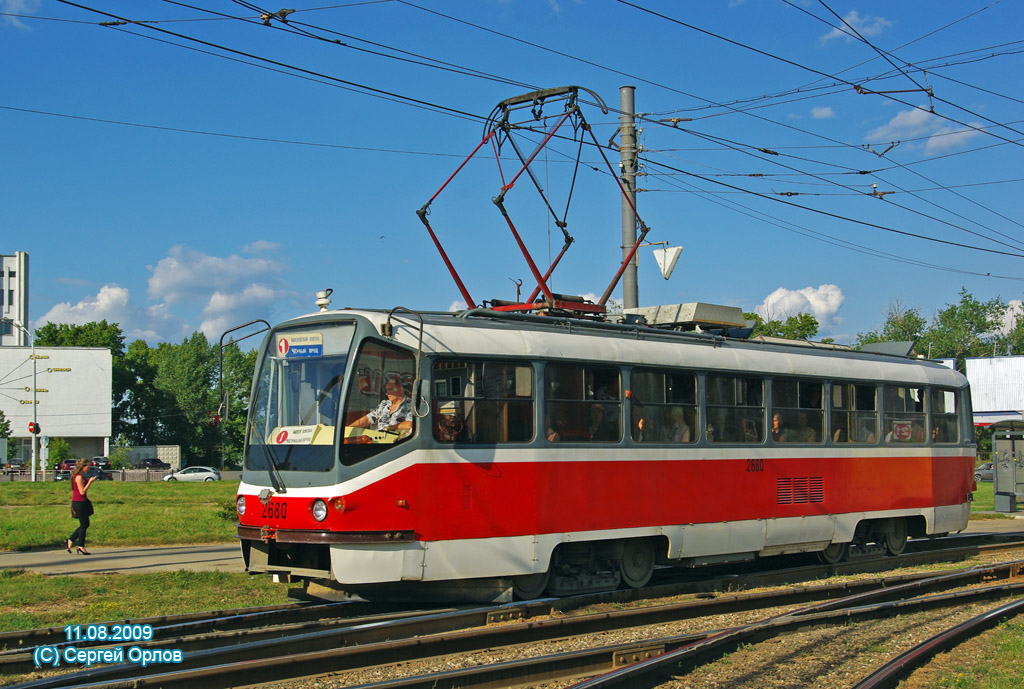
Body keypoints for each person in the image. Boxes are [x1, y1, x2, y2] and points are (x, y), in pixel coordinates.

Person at [65, 457, 96, 555]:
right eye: (88, 466)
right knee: (84, 524)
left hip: (82, 502)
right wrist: (90, 482)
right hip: (79, 502)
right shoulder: (78, 477)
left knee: (85, 524)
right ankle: (80, 545)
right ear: (83, 466)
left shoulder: (80, 476)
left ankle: (71, 540)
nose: (88, 468)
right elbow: (82, 492)